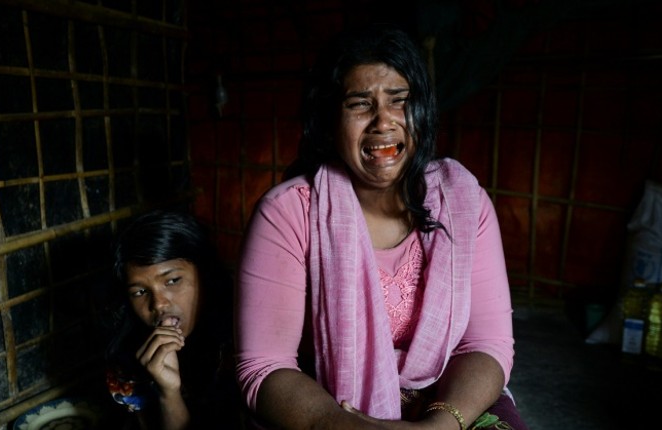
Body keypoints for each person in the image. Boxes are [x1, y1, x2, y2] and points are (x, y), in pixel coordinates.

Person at [235, 23, 528, 430]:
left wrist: (439, 426)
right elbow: (265, 366)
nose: (383, 122)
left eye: (399, 101)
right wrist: (349, 426)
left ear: (420, 112)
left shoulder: (463, 202)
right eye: (359, 103)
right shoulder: (289, 213)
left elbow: (486, 344)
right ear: (329, 120)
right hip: (330, 403)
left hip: (448, 398)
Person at [103, 209, 243, 430]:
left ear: (205, 275)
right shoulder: (125, 361)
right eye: (139, 292)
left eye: (173, 280)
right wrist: (168, 393)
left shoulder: (244, 341)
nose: (158, 304)